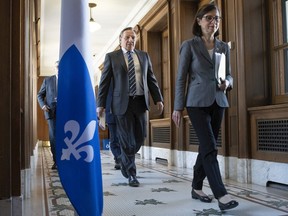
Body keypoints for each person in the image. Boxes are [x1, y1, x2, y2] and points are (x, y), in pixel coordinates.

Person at [172, 4, 239, 211]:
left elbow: (229, 74)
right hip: (196, 103)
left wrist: (228, 83)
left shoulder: (223, 47)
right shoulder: (189, 45)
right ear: (199, 21)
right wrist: (177, 107)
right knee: (210, 146)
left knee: (205, 146)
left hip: (218, 101)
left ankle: (196, 187)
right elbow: (181, 77)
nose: (213, 22)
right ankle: (222, 194)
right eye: (209, 18)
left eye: (217, 19)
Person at [97, 27, 164, 187]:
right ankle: (131, 174)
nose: (130, 40)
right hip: (122, 104)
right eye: (127, 37)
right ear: (120, 40)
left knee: (140, 138)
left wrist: (158, 99)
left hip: (140, 102)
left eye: (133, 37)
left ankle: (125, 159)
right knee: (127, 140)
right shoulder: (112, 57)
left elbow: (151, 79)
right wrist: (100, 105)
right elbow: (104, 83)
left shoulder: (144, 56)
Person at [38, 61, 59, 170]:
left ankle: (65, 159)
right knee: (53, 137)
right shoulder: (48, 80)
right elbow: (40, 95)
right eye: (57, 67)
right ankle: (56, 161)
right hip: (51, 112)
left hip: (66, 112)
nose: (59, 68)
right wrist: (43, 106)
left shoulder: (68, 79)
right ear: (54, 68)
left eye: (61, 66)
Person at [106, 80, 121, 170]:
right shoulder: (107, 77)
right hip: (111, 112)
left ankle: (123, 158)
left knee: (123, 137)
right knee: (114, 138)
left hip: (124, 112)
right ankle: (118, 158)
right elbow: (102, 95)